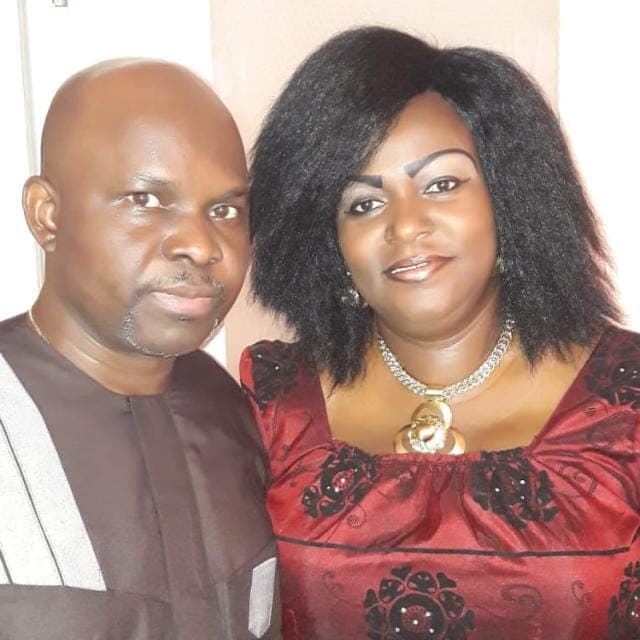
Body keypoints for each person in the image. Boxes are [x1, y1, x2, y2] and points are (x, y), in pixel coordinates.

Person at [240, 26, 640, 640]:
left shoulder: (626, 401)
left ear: (509, 199)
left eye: (442, 185)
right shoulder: (272, 405)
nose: (406, 225)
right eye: (363, 204)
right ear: (330, 244)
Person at [0, 59, 281, 639]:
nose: (201, 246)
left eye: (225, 210)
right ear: (47, 216)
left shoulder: (240, 411)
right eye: (145, 200)